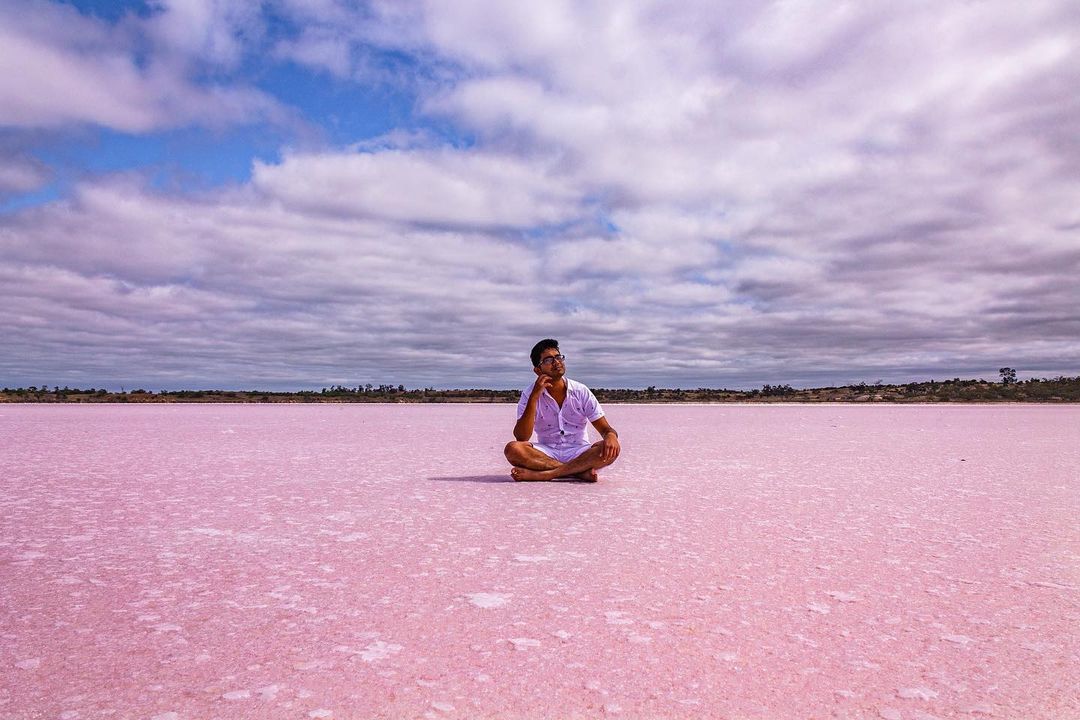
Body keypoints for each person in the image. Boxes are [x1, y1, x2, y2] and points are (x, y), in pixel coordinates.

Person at [504, 339, 621, 482]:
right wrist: (534, 397)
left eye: (558, 357)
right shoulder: (529, 394)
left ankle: (546, 474)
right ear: (538, 370)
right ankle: (577, 473)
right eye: (548, 360)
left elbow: (605, 429)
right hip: (546, 452)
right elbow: (521, 437)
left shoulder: (580, 391)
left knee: (610, 449)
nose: (556, 362)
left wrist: (611, 437)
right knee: (513, 449)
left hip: (579, 451)